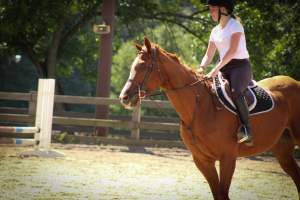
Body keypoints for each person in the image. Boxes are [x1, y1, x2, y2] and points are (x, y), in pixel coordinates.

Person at [198, 0, 253, 144]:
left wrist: (214, 70)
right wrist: (202, 67)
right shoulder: (215, 31)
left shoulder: (236, 26)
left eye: (212, 9)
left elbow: (232, 52)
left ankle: (247, 129)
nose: (210, 12)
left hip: (240, 67)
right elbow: (208, 54)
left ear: (223, 9)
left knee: (236, 92)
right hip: (223, 68)